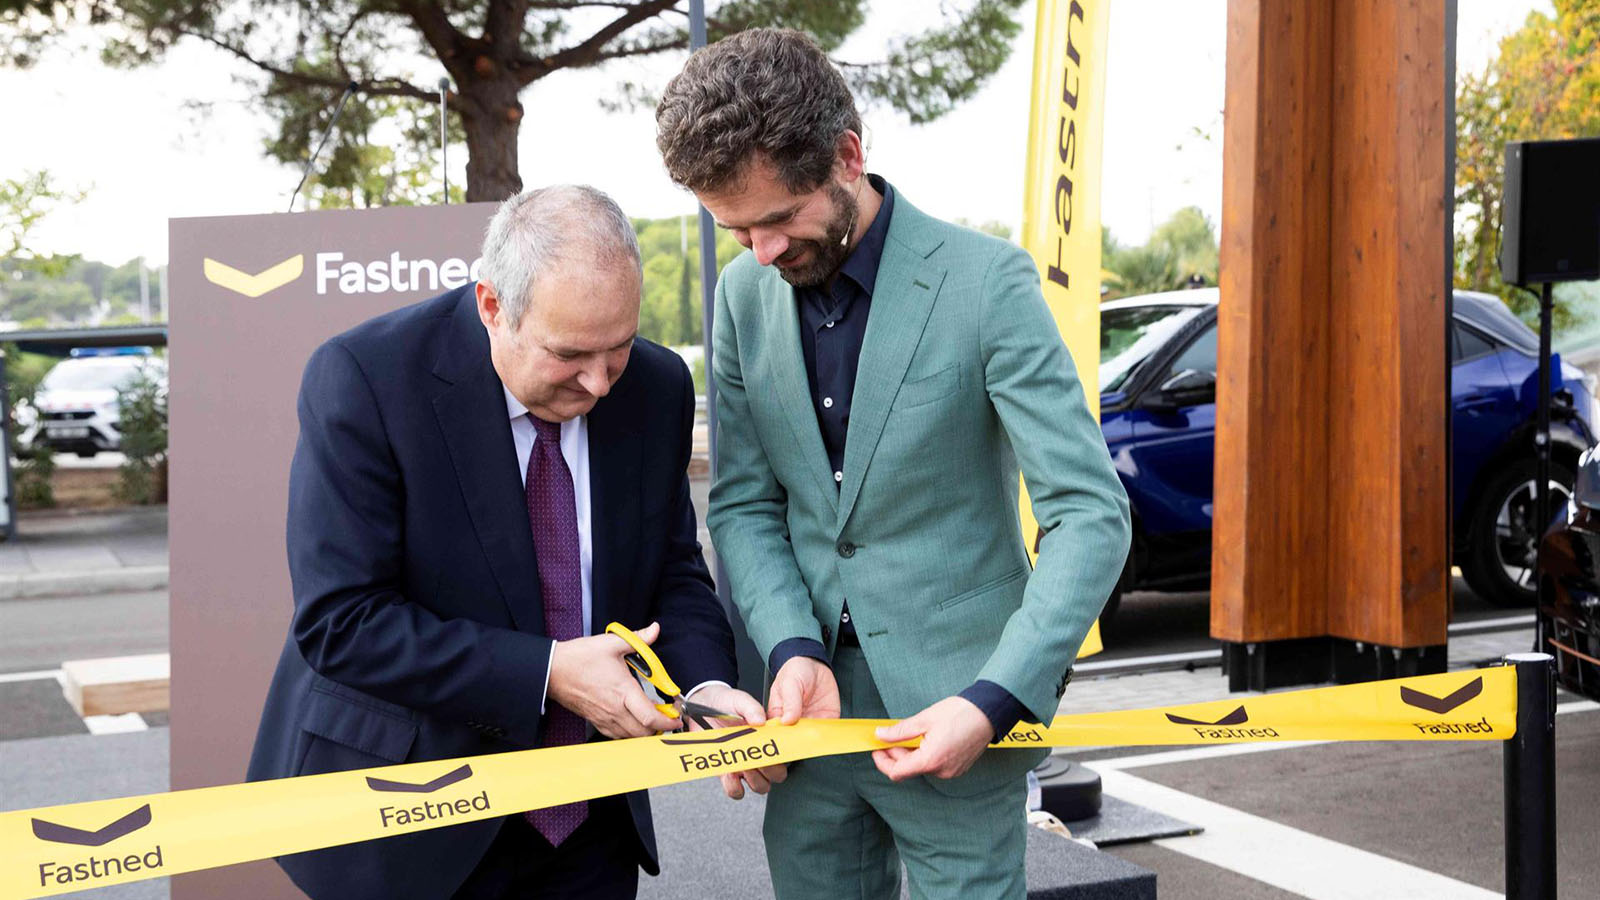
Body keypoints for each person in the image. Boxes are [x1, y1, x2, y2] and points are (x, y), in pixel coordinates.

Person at [655, 28, 1132, 899]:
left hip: (959, 716)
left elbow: (1089, 515)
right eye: (735, 229)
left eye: (777, 219)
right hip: (803, 720)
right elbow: (746, 507)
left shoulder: (987, 283)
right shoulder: (740, 297)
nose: (760, 252)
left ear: (846, 155)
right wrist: (791, 646)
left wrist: (993, 700)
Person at [247, 185, 769, 900]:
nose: (598, 383)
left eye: (617, 347)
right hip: (410, 827)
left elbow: (672, 571)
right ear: (492, 307)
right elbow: (342, 624)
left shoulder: (656, 385)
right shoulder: (366, 379)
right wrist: (548, 673)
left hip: (589, 826)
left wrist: (708, 687)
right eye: (570, 354)